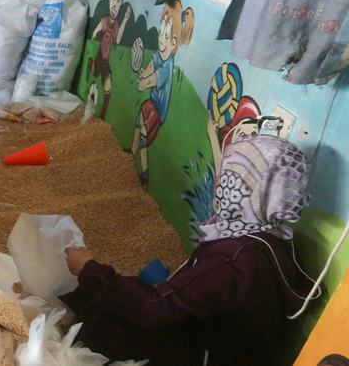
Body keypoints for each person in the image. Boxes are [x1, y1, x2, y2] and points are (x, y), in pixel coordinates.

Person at [62, 135, 316, 366]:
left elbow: (151, 309)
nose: (217, 181)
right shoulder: (268, 238)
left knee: (103, 310)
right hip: (226, 342)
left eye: (225, 175)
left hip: (205, 354)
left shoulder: (234, 260)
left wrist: (89, 269)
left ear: (241, 188)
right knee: (117, 291)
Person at [132, 0, 194, 182]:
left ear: (173, 41)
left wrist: (143, 82)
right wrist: (141, 71)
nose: (160, 39)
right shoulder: (158, 55)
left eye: (165, 36)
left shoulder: (167, 66)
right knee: (138, 121)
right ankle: (130, 154)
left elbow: (152, 79)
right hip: (151, 103)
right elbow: (148, 69)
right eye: (161, 33)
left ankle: (143, 172)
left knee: (144, 136)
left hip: (158, 112)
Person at [87, 0, 132, 119]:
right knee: (94, 82)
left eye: (118, 2)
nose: (115, 4)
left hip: (106, 61)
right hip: (99, 57)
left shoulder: (116, 24)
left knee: (108, 87)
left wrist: (124, 20)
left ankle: (102, 116)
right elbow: (95, 33)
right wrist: (94, 38)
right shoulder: (105, 20)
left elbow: (118, 40)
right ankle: (90, 101)